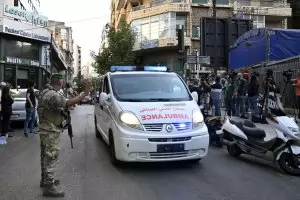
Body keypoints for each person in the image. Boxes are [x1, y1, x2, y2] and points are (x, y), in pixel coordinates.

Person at [38, 73, 90, 197]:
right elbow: (67, 103)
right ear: (59, 82)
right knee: (51, 156)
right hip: (50, 130)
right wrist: (84, 94)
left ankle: (45, 180)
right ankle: (49, 186)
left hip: (46, 129)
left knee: (45, 155)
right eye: (62, 80)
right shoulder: (52, 94)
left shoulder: (47, 92)